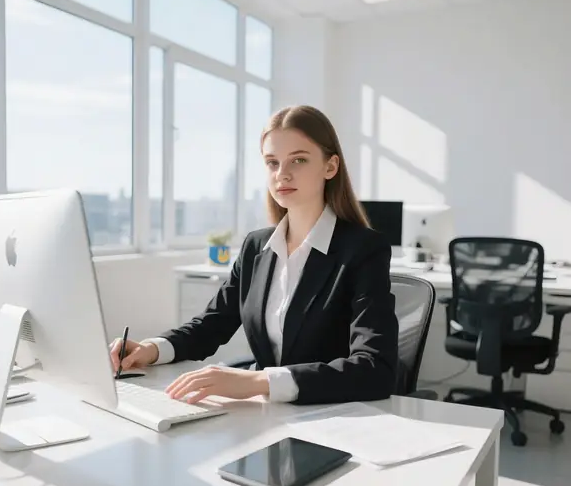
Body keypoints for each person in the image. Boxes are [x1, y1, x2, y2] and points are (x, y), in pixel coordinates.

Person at [110, 105, 399, 405]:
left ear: (330, 166)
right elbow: (212, 325)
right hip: (267, 415)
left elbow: (375, 369)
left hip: (330, 416)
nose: (282, 174)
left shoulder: (363, 249)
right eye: (272, 163)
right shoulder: (256, 247)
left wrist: (259, 381)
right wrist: (151, 349)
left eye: (298, 160)